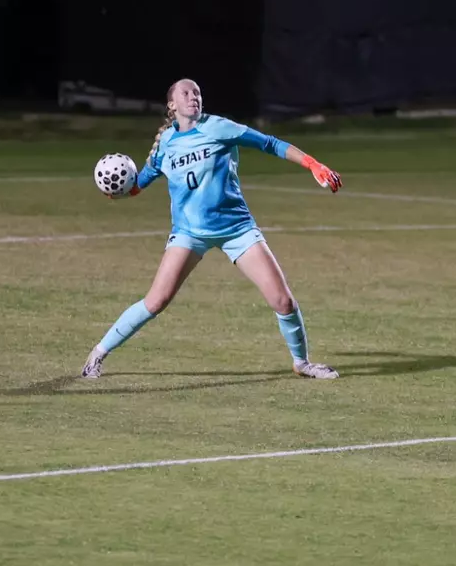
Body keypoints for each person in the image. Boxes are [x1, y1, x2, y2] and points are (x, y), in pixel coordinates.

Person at [82, 78, 343, 381]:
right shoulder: (166, 144)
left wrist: (313, 164)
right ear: (172, 105)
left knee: (283, 301)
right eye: (186, 93)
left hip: (236, 228)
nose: (194, 97)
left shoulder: (218, 127)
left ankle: (302, 363)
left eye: (197, 92)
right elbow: (140, 184)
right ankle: (98, 354)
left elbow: (269, 143)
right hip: (189, 233)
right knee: (156, 301)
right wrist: (118, 190)